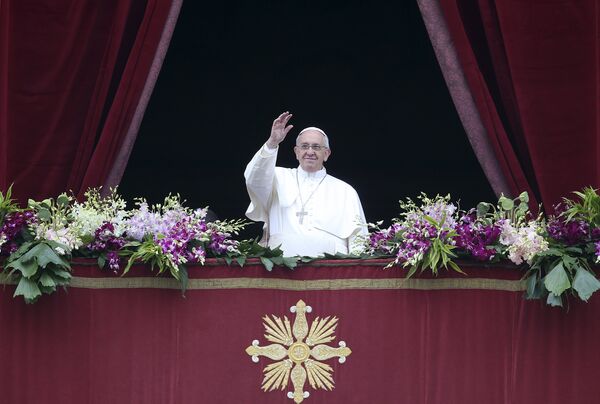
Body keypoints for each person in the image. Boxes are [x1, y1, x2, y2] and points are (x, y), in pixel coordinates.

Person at [244, 111, 367, 257]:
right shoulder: (277, 177)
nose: (310, 152)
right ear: (296, 152)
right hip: (281, 268)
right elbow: (254, 178)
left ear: (326, 153)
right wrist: (272, 143)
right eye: (304, 146)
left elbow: (359, 238)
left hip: (330, 272)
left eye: (316, 147)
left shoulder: (345, 190)